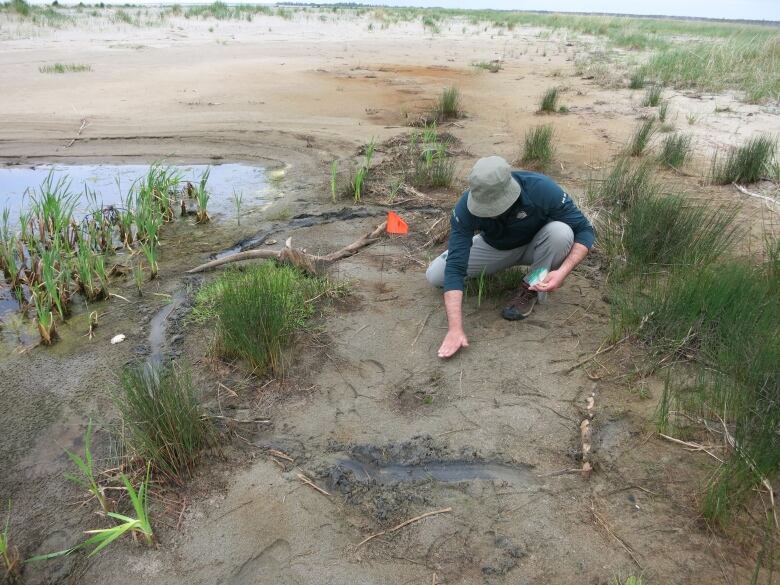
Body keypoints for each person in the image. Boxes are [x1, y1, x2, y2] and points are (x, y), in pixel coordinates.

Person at [426, 156, 595, 359]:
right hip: (495, 246)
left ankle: (530, 287)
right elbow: (455, 265)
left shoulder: (541, 189)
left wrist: (562, 272)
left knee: (562, 232)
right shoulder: (464, 207)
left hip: (539, 245)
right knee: (436, 275)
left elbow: (585, 230)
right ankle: (497, 270)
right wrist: (455, 329)